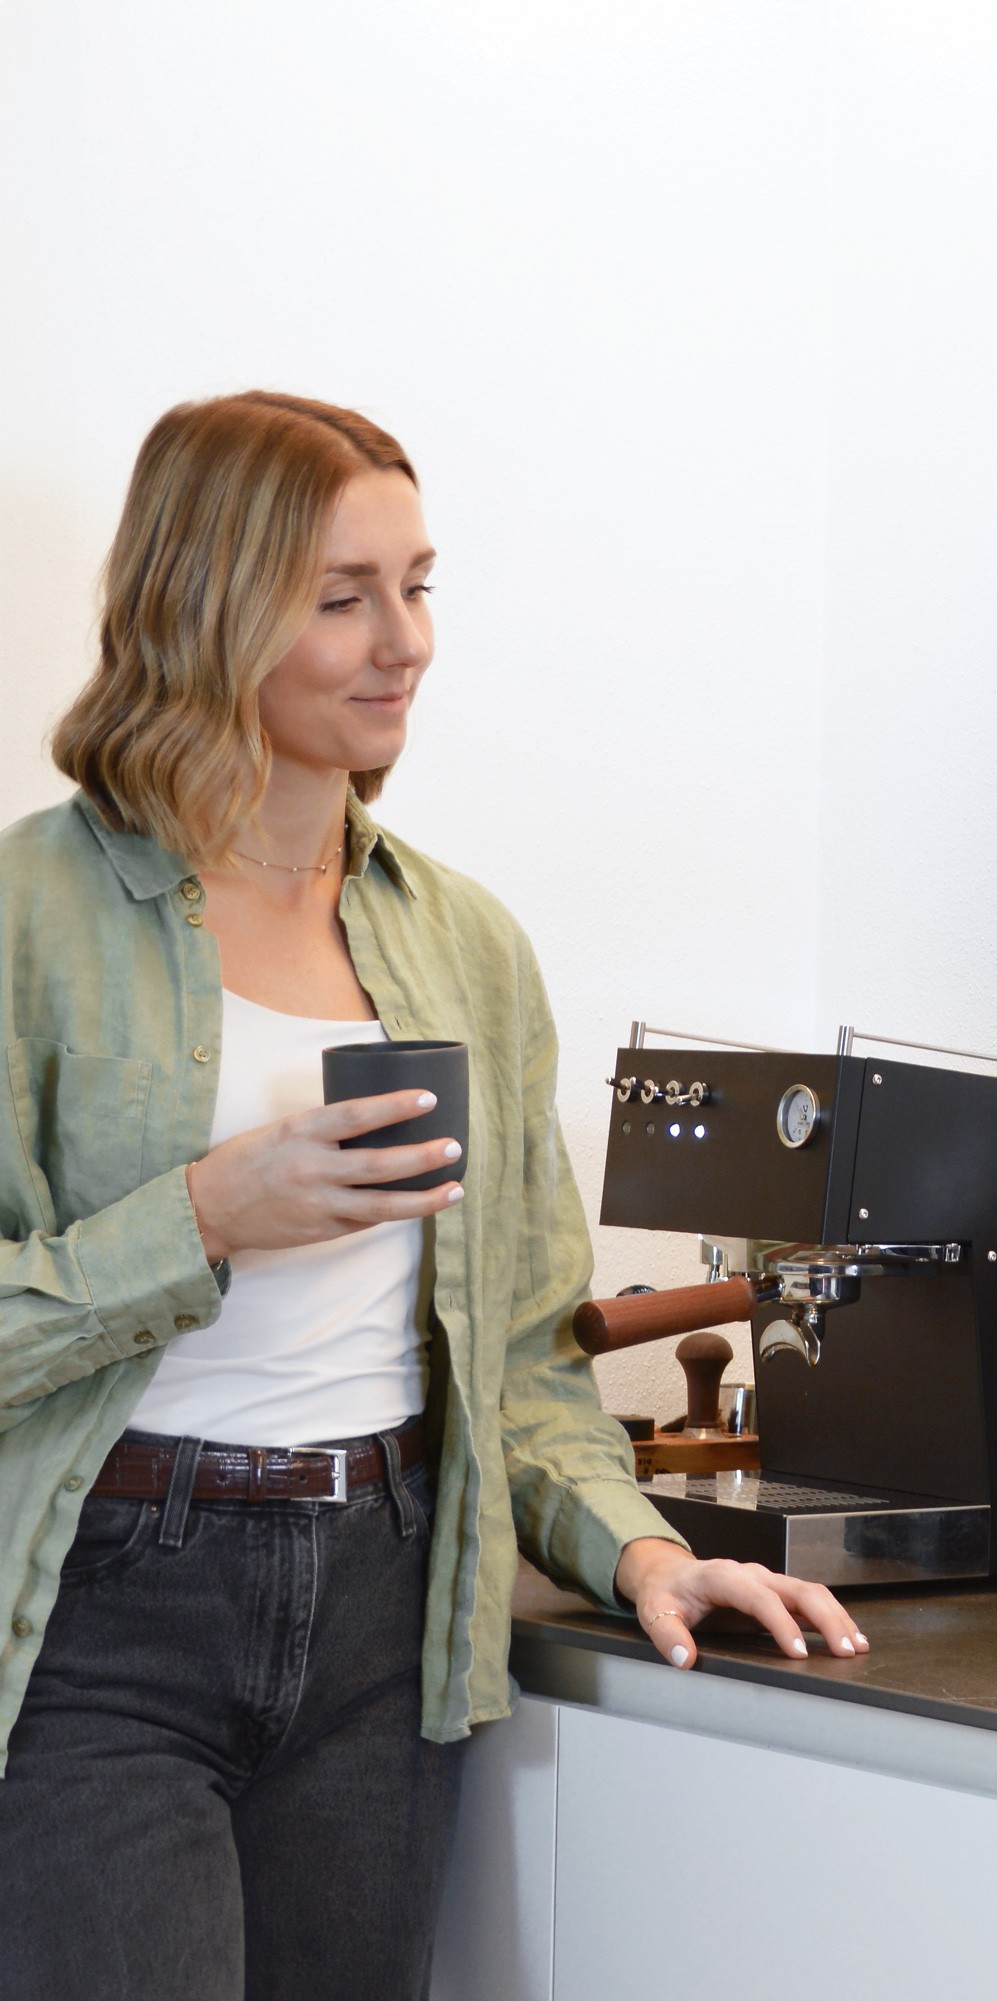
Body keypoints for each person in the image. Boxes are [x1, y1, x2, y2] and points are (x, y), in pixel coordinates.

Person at [0, 391, 864, 2001]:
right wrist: (200, 1216)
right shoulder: (27, 919)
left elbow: (525, 1351)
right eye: (342, 596)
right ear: (202, 605)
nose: (406, 640)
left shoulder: (464, 942)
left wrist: (637, 1549)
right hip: (108, 1617)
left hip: (389, 1618)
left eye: (419, 583)